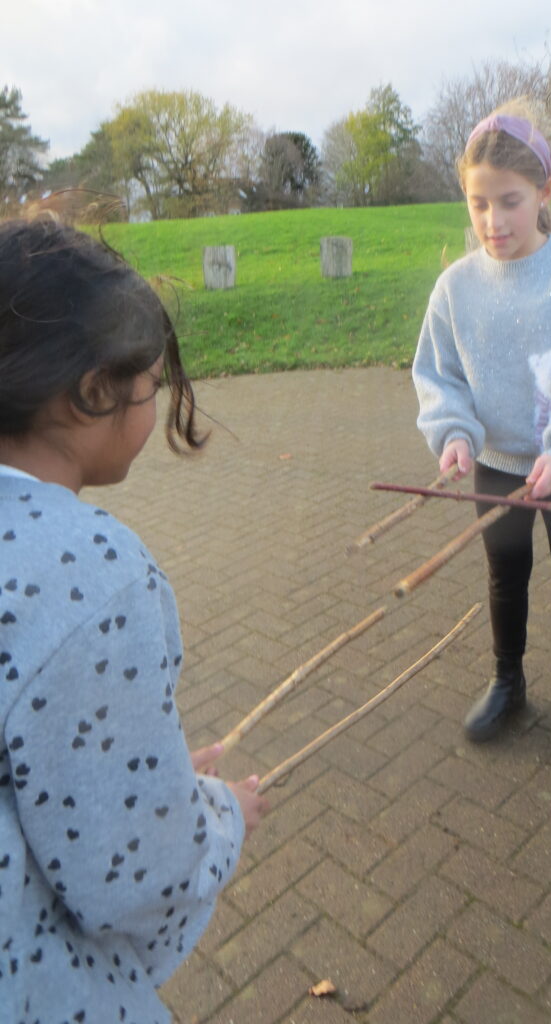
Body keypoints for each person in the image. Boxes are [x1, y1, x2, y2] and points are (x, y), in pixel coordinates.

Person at [0, 218, 269, 1023]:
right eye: (150, 381)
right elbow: (135, 877)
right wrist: (218, 815)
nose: (155, 399)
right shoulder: (91, 583)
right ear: (91, 390)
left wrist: (124, 767)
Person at [412, 101, 551, 774]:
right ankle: (510, 682)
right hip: (497, 463)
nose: (493, 222)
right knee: (505, 576)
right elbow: (440, 377)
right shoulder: (454, 288)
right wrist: (453, 434)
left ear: (546, 193)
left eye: (510, 202)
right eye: (478, 204)